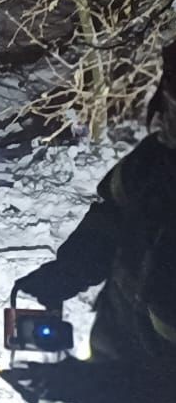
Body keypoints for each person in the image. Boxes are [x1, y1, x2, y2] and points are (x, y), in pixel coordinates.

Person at [11, 42, 176, 401]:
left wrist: (106, 387)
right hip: (115, 354)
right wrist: (72, 268)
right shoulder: (153, 163)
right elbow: (112, 215)